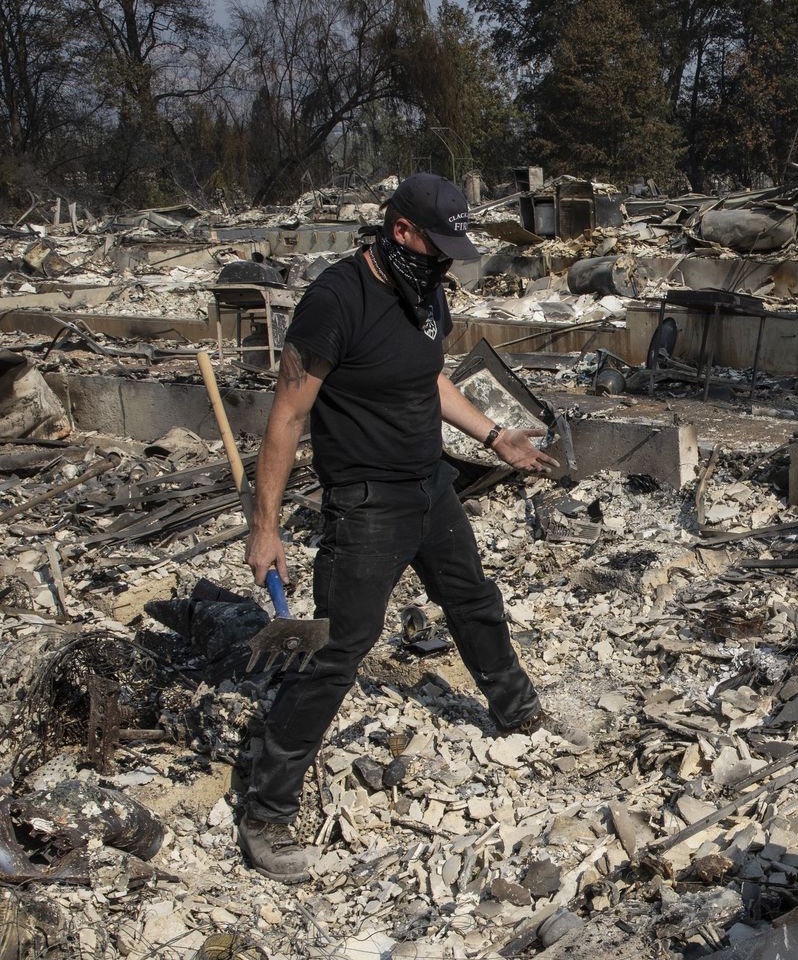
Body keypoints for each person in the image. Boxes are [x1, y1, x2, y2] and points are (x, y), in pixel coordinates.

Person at [236, 173, 559, 882]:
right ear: (401, 231)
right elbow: (287, 417)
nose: (445, 260)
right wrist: (264, 527)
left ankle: (517, 711)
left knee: (473, 600)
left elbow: (429, 378)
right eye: (435, 244)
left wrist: (495, 434)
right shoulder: (335, 301)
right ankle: (265, 815)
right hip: (366, 504)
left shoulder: (426, 289)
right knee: (334, 652)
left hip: (430, 487)